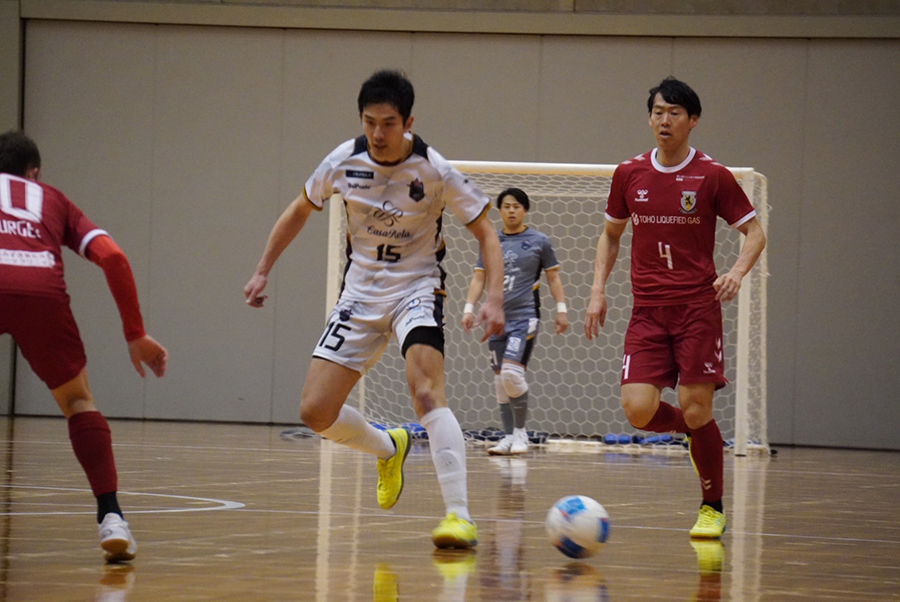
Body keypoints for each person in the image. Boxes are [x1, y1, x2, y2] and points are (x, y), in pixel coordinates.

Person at [243, 70, 504, 549]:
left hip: (417, 289)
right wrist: (262, 270)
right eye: (369, 122)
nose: (378, 134)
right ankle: (389, 447)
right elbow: (298, 210)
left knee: (426, 393)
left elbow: (486, 231)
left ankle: (459, 516)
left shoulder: (435, 169)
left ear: (409, 123)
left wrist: (493, 297)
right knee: (315, 411)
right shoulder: (342, 161)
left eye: (389, 123)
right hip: (359, 296)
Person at [584, 77, 766, 539]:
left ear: (693, 120)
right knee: (638, 411)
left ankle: (712, 506)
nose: (665, 120)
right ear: (650, 118)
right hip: (647, 310)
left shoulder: (712, 175)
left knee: (697, 407)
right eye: (658, 112)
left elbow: (755, 233)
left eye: (675, 113)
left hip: (696, 309)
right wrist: (597, 290)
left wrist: (736, 272)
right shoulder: (629, 173)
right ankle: (695, 431)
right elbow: (610, 235)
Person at [0, 130, 169, 562]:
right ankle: (111, 517)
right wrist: (135, 333)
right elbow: (112, 257)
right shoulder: (51, 198)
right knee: (77, 401)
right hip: (40, 288)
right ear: (33, 174)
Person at [461, 188, 568, 455]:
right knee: (500, 380)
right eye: (507, 206)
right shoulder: (490, 241)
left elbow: (553, 277)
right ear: (499, 211)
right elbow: (479, 277)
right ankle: (508, 436)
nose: (511, 210)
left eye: (517, 206)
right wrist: (469, 309)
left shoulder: (539, 241)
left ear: (525, 210)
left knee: (511, 373)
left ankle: (521, 434)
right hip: (496, 320)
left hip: (524, 317)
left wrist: (561, 310)